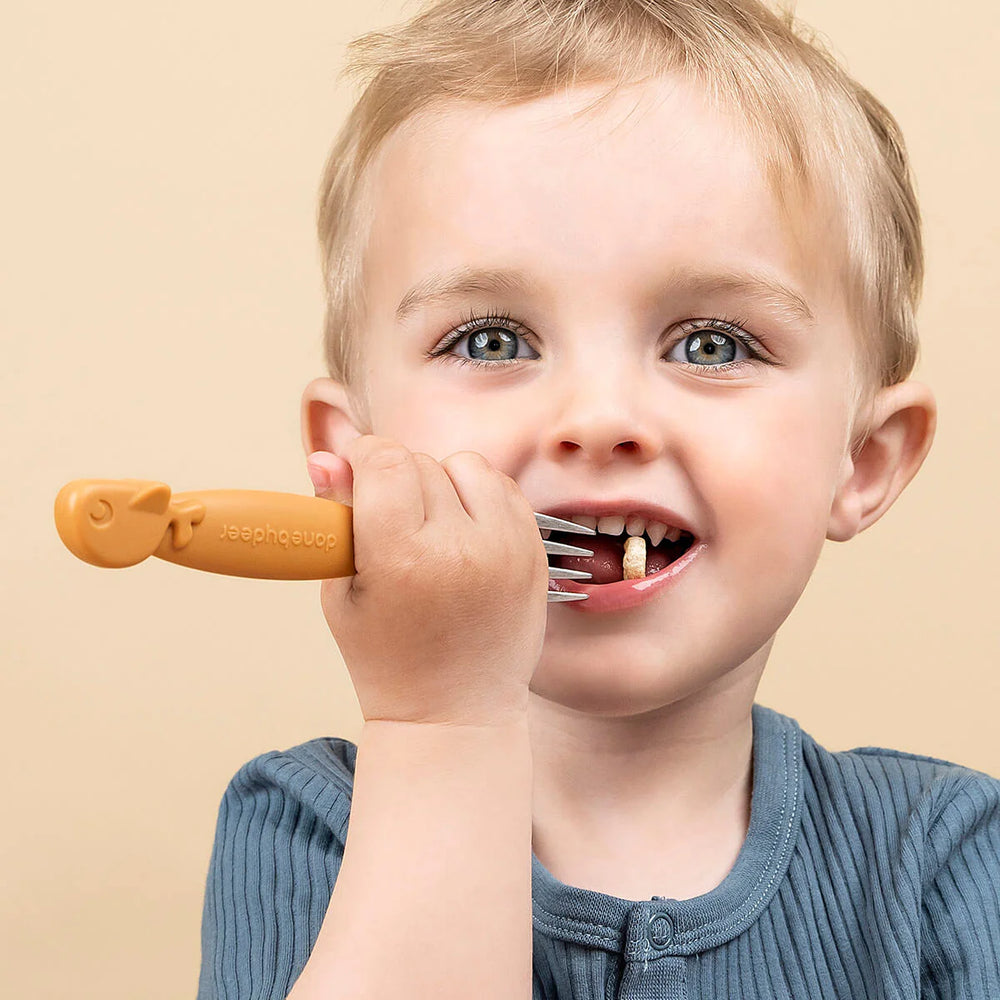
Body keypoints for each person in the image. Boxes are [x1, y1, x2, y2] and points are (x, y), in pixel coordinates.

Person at [196, 1, 999, 997]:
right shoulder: (303, 822)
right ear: (356, 457)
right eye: (492, 339)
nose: (598, 416)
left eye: (711, 344)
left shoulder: (949, 855)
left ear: (866, 460)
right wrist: (440, 725)